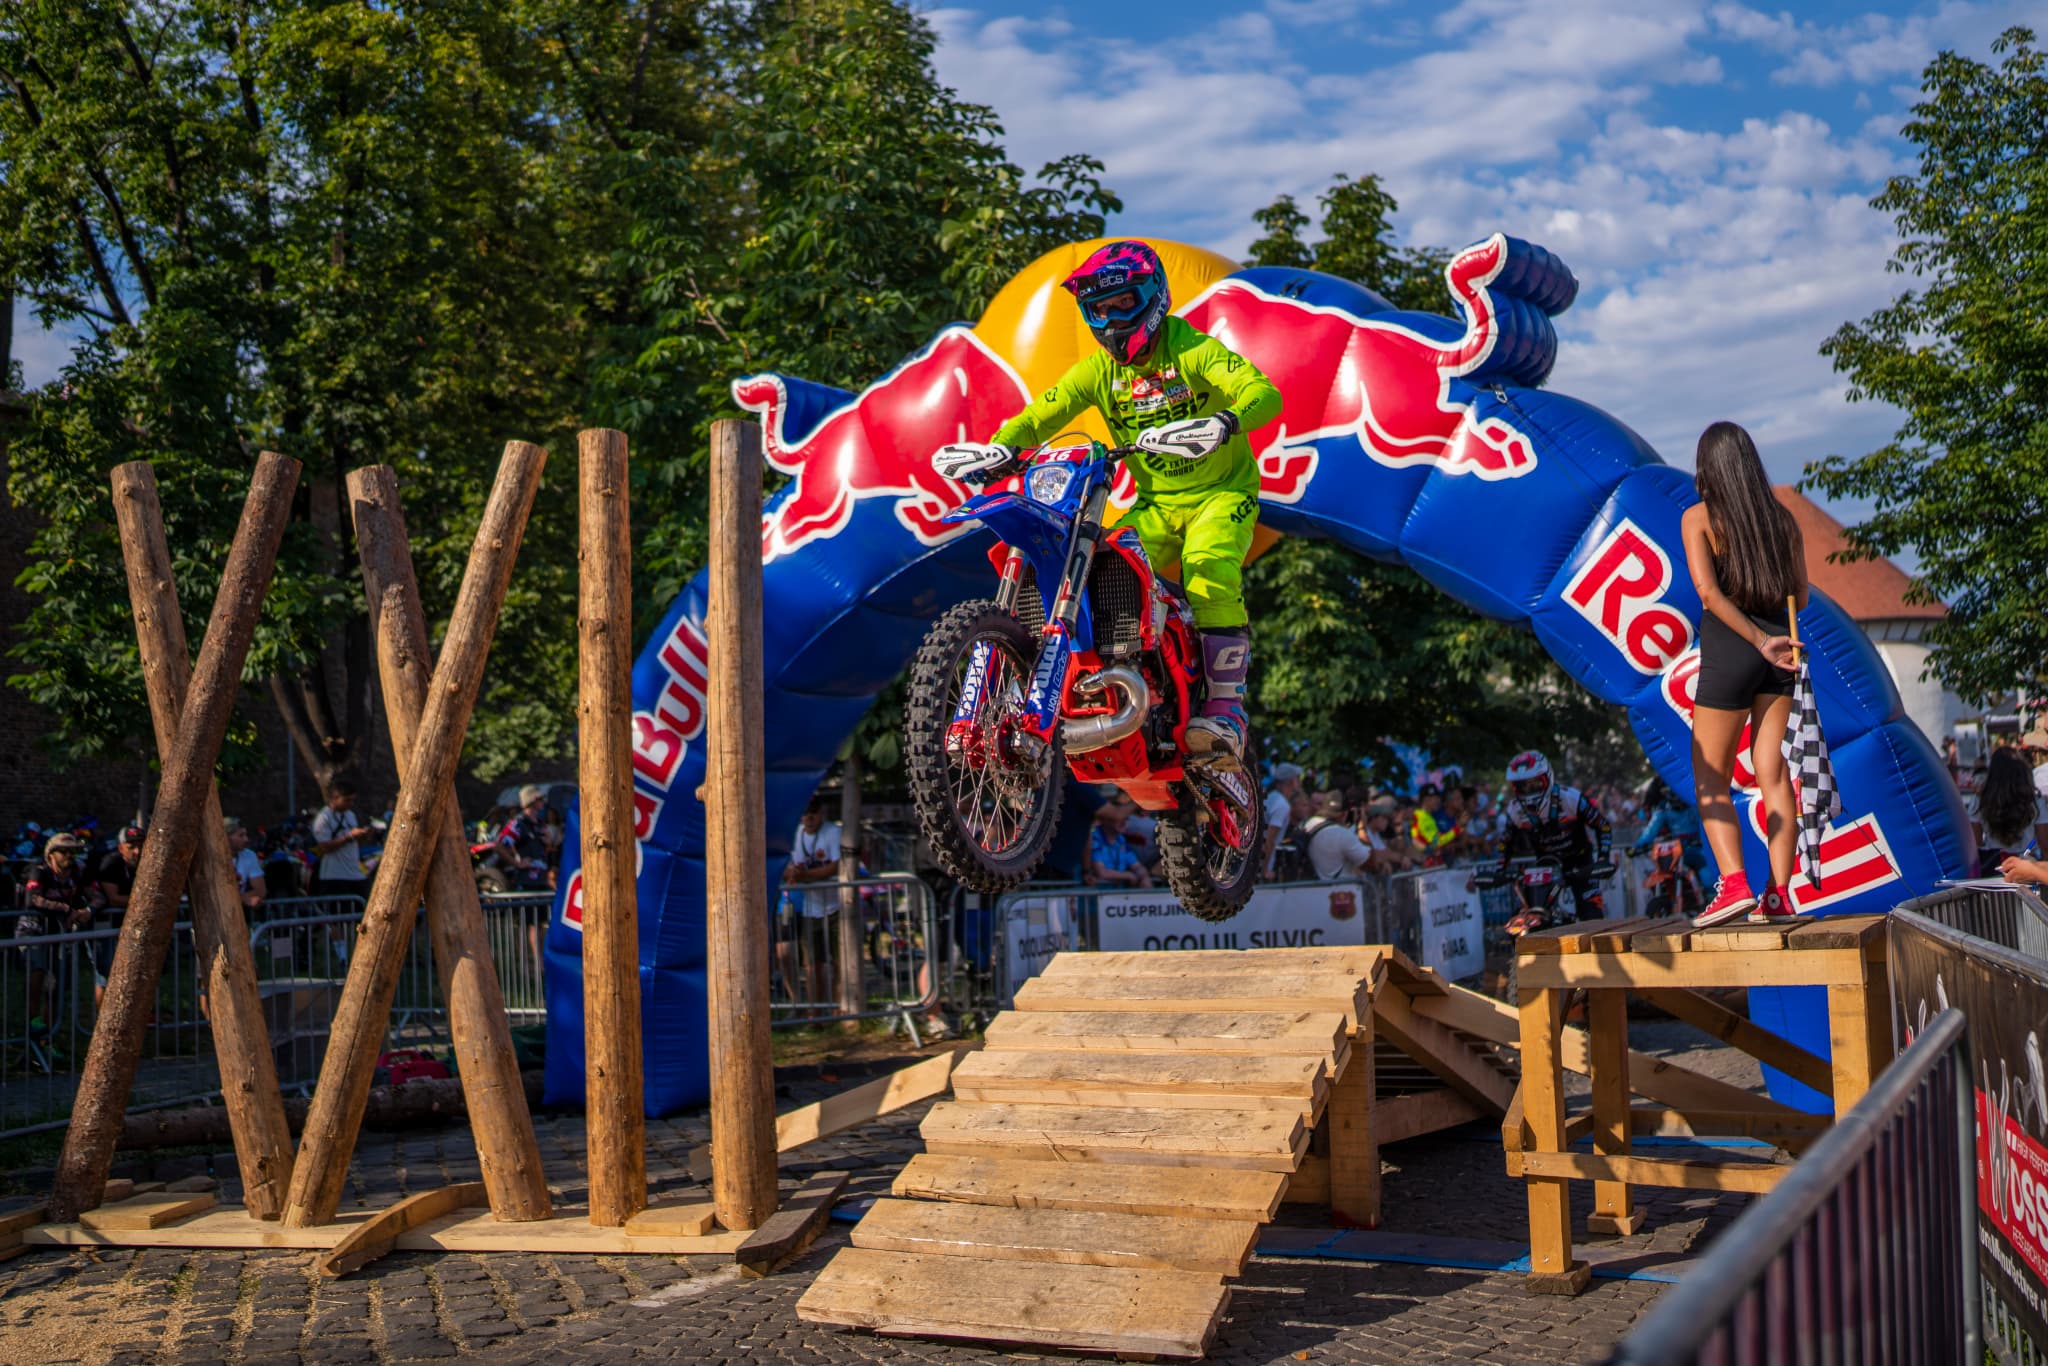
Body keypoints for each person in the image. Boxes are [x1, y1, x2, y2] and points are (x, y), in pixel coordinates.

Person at [931, 240, 1283, 767]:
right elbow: (1043, 412)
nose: (1111, 317)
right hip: (1157, 501)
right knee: (1103, 564)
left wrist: (1223, 422)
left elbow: (1263, 392)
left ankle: (1226, 708)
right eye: (1099, 308)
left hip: (1220, 493)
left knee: (1207, 569)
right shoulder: (1098, 371)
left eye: (1122, 304)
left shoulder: (1193, 350)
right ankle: (1125, 670)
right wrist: (1004, 446)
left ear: (1153, 297)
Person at [1681, 421, 1808, 926]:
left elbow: (1708, 595)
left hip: (1736, 650)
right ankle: (1779, 894)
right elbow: (1802, 590)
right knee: (1772, 772)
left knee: (1711, 776)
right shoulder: (1782, 521)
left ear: (1708, 468)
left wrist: (1754, 639)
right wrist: (1774, 638)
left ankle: (1734, 884)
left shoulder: (1699, 518)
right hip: (1783, 651)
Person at [1499, 749, 1615, 933]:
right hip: (1545, 866)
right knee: (1528, 916)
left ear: (1547, 778)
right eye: (1522, 786)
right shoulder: (1514, 810)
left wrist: (1602, 858)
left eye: (1535, 784)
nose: (1529, 791)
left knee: (1591, 914)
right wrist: (1500, 870)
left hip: (1580, 862)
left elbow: (1603, 826)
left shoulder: (1571, 798)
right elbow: (1505, 843)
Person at [16, 832, 99, 1029]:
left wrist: (88, 910)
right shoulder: (39, 870)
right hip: (33, 929)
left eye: (73, 852)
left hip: (60, 933)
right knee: (36, 971)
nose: (69, 856)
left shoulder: (79, 870)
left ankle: (46, 1036)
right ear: (51, 854)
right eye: (64, 852)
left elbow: (98, 896)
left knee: (57, 983)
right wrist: (66, 909)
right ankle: (31, 1023)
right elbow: (33, 899)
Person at [780, 796, 842, 1013]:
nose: (809, 817)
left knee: (837, 963)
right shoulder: (795, 834)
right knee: (812, 965)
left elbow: (834, 867)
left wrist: (805, 876)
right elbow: (787, 870)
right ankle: (814, 1013)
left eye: (813, 812)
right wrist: (796, 874)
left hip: (836, 906)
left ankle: (839, 1010)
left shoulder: (832, 833)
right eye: (805, 813)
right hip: (810, 907)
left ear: (821, 813)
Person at [89, 825, 145, 1005]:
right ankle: (102, 1022)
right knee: (106, 976)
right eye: (131, 847)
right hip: (104, 925)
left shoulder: (142, 865)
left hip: (124, 925)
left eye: (140, 846)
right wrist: (145, 902)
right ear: (120, 848)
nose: (137, 851)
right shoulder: (111, 863)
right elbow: (113, 898)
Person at [1972, 747, 2045, 867]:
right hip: (2027, 863)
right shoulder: (2035, 800)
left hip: (1994, 863)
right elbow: (2044, 844)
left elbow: (1976, 843)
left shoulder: (1979, 800)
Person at [309, 781, 373, 901]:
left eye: (353, 800)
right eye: (347, 800)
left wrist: (364, 836)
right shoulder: (324, 818)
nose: (350, 804)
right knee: (340, 916)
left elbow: (356, 845)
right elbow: (324, 847)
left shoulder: (350, 815)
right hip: (334, 876)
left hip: (355, 873)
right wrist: (348, 836)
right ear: (335, 798)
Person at [1303, 791, 1374, 880]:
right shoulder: (1342, 834)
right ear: (1345, 813)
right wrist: (1362, 829)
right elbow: (1370, 864)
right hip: (1338, 891)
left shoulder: (1308, 824)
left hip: (1309, 888)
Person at [1084, 797, 1152, 889]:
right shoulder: (1094, 838)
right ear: (1106, 819)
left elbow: (1137, 866)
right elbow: (1101, 873)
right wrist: (1128, 875)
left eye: (1126, 818)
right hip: (1097, 898)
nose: (1124, 822)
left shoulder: (1121, 840)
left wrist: (1144, 877)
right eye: (1120, 818)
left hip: (1116, 899)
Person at [496, 785, 555, 889]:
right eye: (539, 799)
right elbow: (498, 845)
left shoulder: (541, 823)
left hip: (542, 881)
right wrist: (517, 863)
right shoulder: (518, 823)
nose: (543, 802)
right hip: (526, 882)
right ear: (531, 801)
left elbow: (546, 851)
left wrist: (548, 843)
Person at [1262, 763, 1305, 877]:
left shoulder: (1271, 797)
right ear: (1291, 781)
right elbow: (1270, 839)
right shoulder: (1282, 805)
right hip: (1260, 863)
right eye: (1297, 778)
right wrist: (1264, 869)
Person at [224, 817, 268, 914]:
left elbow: (261, 890)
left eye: (246, 835)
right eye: (241, 835)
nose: (246, 839)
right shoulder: (212, 857)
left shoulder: (249, 855)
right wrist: (244, 899)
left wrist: (238, 900)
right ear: (226, 836)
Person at [1410, 784, 1456, 865]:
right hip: (1424, 867)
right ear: (1426, 800)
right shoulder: (1420, 818)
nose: (1438, 801)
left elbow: (1435, 841)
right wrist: (1457, 829)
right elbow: (1435, 844)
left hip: (1434, 863)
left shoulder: (1430, 817)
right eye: (1435, 798)